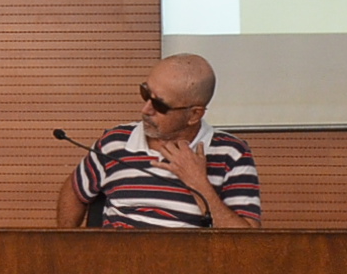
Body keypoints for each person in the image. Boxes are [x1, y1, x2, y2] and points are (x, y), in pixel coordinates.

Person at [55, 51, 261, 228]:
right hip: (117, 266)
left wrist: (199, 183)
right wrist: (66, 249)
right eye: (145, 93)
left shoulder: (232, 153)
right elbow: (74, 190)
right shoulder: (115, 142)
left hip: (191, 269)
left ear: (194, 115)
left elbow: (246, 241)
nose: (145, 109)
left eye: (160, 105)